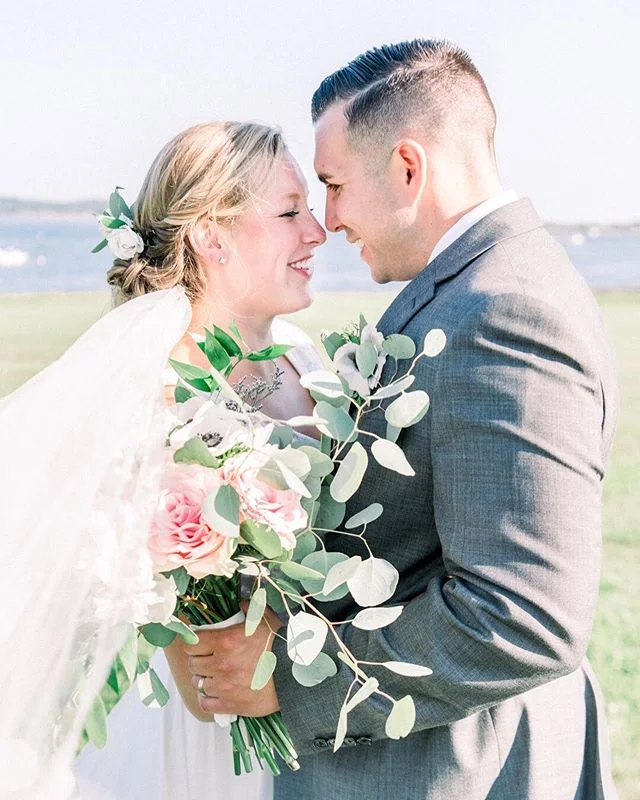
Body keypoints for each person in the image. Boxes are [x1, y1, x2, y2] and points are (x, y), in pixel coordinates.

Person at [190, 40, 619, 799]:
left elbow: (523, 617)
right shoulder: (482, 286)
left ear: (408, 168)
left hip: (460, 768)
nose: (327, 221)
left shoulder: (502, 310)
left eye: (333, 186)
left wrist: (286, 678)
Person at [0, 120, 325, 800]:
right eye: (290, 212)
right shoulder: (153, 397)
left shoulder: (305, 356)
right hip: (202, 744)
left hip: (312, 719)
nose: (317, 233)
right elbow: (199, 679)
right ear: (211, 236)